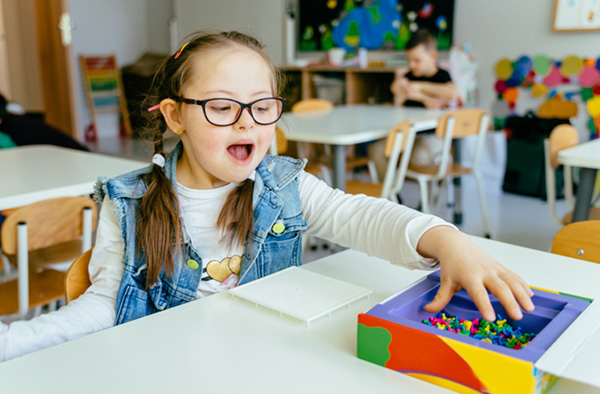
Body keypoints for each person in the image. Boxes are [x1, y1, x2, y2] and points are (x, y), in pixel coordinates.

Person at [0, 31, 533, 362]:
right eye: (222, 106)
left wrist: (448, 241)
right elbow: (103, 307)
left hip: (270, 362)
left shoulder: (282, 186)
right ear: (173, 115)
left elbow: (364, 216)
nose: (247, 123)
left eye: (261, 105)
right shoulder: (130, 203)